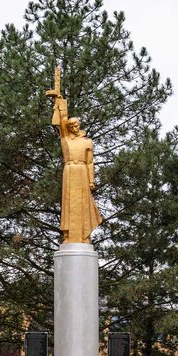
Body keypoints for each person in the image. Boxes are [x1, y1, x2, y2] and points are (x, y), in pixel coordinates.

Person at [46, 67, 102, 244]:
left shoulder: (87, 142)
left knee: (84, 203)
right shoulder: (66, 140)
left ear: (80, 125)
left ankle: (84, 236)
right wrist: (60, 102)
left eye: (76, 124)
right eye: (71, 125)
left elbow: (91, 162)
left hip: (82, 172)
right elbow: (61, 122)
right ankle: (69, 236)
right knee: (70, 204)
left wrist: (92, 180)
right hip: (70, 171)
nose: (74, 127)